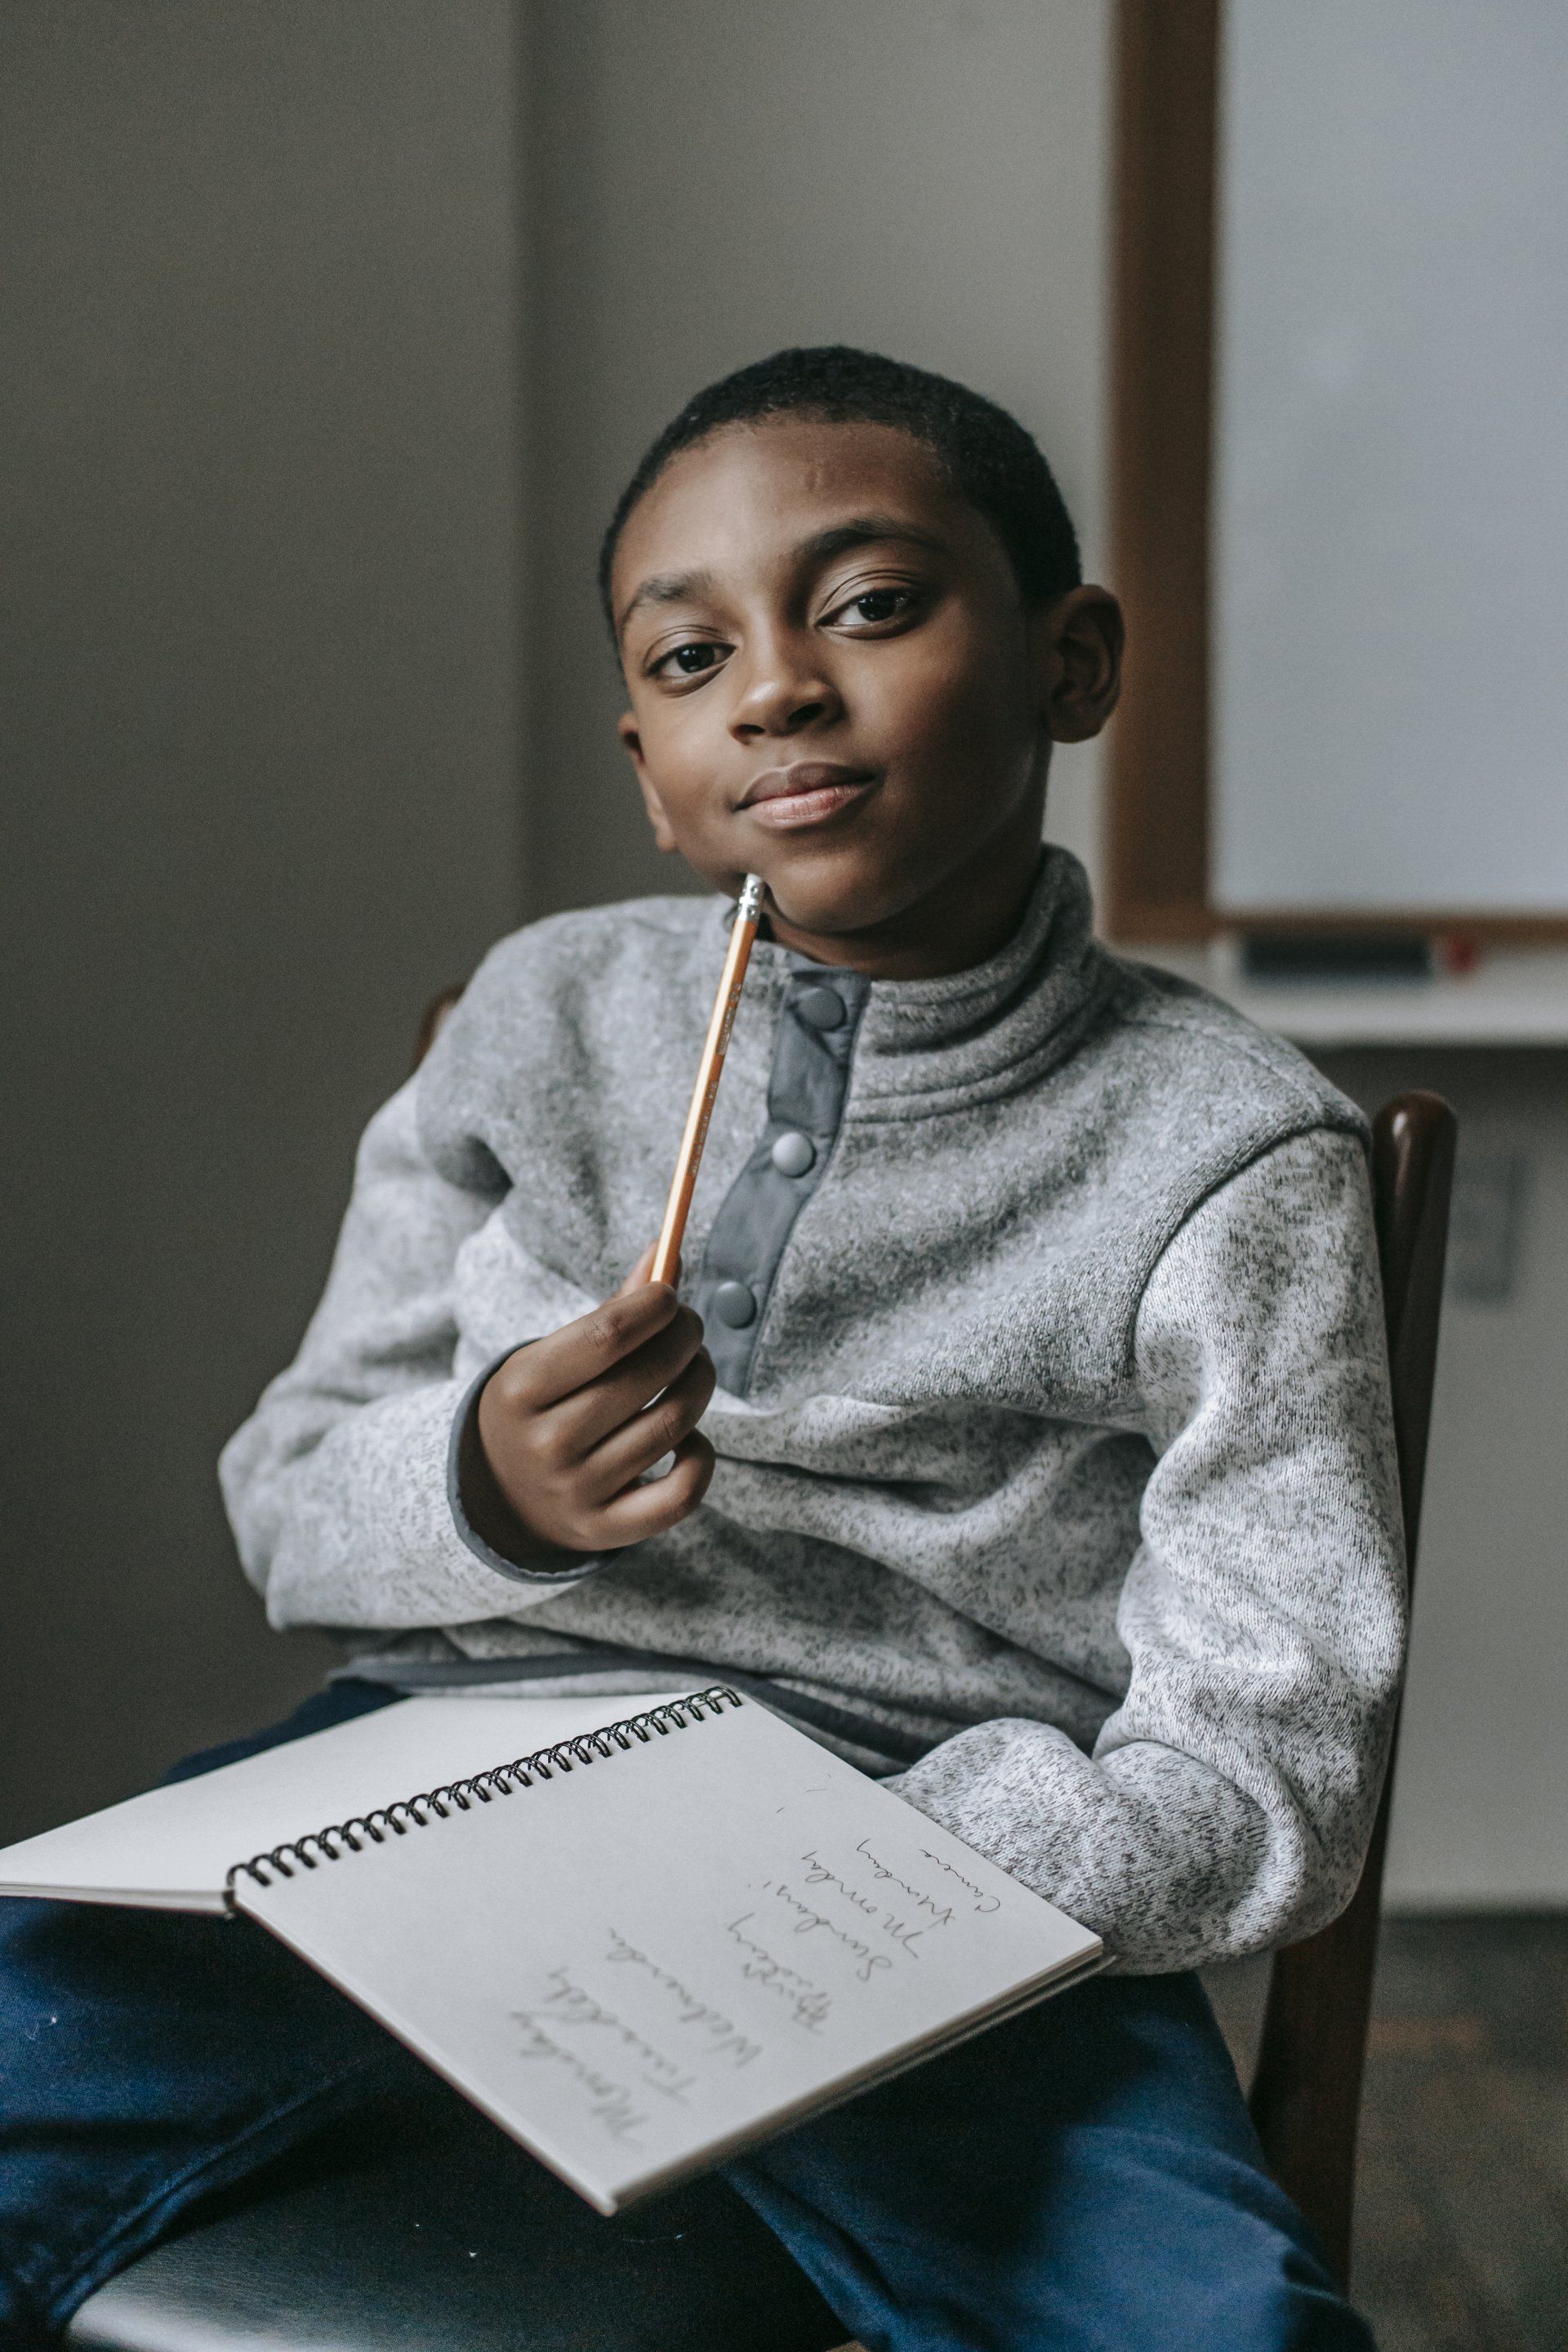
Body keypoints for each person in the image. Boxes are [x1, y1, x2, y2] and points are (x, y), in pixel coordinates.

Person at [0, 348, 1402, 2348]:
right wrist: (487, 1484)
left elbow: (1270, 1757)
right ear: (653, 776)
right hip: (445, 1801)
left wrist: (921, 1874)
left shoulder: (1227, 1153)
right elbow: (291, 1504)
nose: (774, 691)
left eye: (871, 605)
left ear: (1072, 663)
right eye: (686, 660)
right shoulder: (539, 1021)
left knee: (1216, 2326)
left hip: (949, 1876)